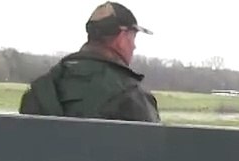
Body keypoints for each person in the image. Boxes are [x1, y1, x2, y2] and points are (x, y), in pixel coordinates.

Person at [17, 2, 161, 123]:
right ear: (122, 39)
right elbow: (153, 152)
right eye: (133, 38)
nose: (134, 46)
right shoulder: (132, 97)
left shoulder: (38, 90)